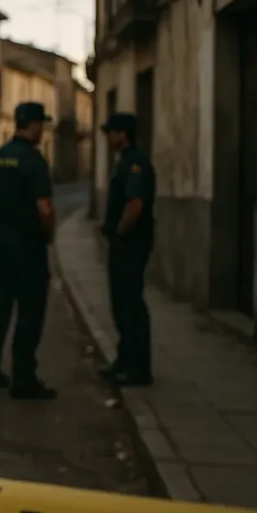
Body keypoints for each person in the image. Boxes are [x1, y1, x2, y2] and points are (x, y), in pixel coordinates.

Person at [0, 102, 57, 400]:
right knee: (29, 311)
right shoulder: (34, 161)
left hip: (0, 244)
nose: (42, 131)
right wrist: (49, 234)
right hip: (28, 247)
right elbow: (44, 207)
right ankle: (23, 378)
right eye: (41, 126)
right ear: (33, 126)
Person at [99, 113, 155, 386]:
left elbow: (135, 205)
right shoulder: (126, 162)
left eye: (111, 132)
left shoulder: (135, 164)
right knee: (121, 304)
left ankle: (139, 368)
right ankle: (125, 359)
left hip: (131, 244)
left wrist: (119, 232)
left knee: (130, 304)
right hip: (126, 243)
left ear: (123, 134)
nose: (108, 137)